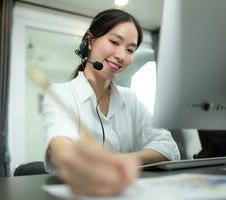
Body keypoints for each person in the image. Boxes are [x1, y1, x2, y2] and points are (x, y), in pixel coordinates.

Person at [43, 9, 180, 196]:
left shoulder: (130, 99)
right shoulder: (61, 93)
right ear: (90, 41)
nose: (122, 56)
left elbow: (167, 146)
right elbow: (61, 149)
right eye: (114, 42)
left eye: (130, 49)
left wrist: (120, 161)